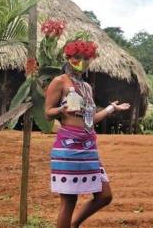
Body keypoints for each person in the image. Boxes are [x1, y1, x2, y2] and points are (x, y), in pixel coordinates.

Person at [45, 38, 130, 228]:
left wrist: (111, 109)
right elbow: (47, 113)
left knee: (105, 195)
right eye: (77, 57)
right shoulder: (60, 82)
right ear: (69, 57)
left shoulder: (87, 87)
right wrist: (61, 110)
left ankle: (74, 224)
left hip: (89, 147)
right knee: (69, 202)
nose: (81, 62)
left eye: (86, 58)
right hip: (69, 147)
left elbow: (90, 120)